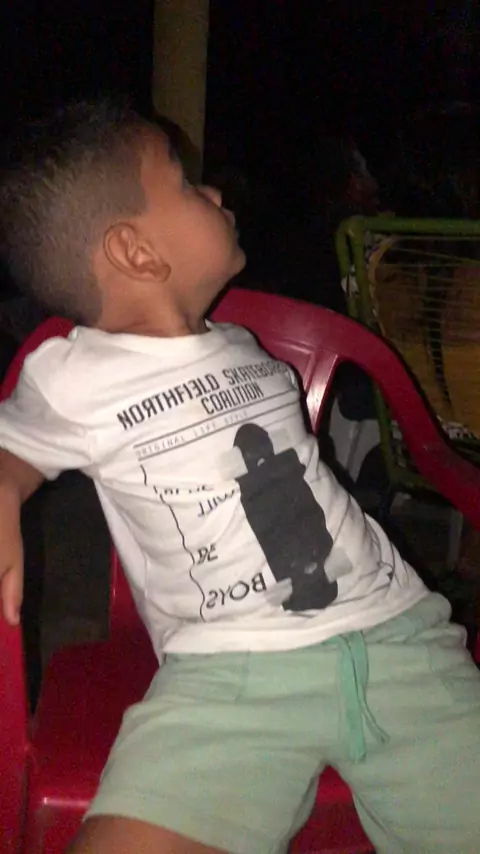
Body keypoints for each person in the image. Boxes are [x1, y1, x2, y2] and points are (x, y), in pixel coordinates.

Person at [0, 98, 479, 854]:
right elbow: (13, 448)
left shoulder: (244, 346)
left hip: (400, 640)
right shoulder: (74, 374)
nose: (216, 192)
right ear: (136, 252)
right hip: (227, 675)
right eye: (186, 185)